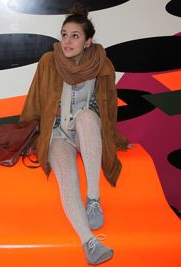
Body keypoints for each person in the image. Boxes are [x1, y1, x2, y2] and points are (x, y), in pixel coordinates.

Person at [19, 3, 129, 265]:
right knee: (67, 178)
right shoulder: (49, 61)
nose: (67, 41)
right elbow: (35, 98)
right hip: (58, 133)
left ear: (88, 41)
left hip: (86, 131)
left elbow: (108, 105)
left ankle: (93, 199)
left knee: (88, 117)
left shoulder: (102, 64)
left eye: (75, 35)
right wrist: (32, 128)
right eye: (64, 34)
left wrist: (113, 136)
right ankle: (88, 242)